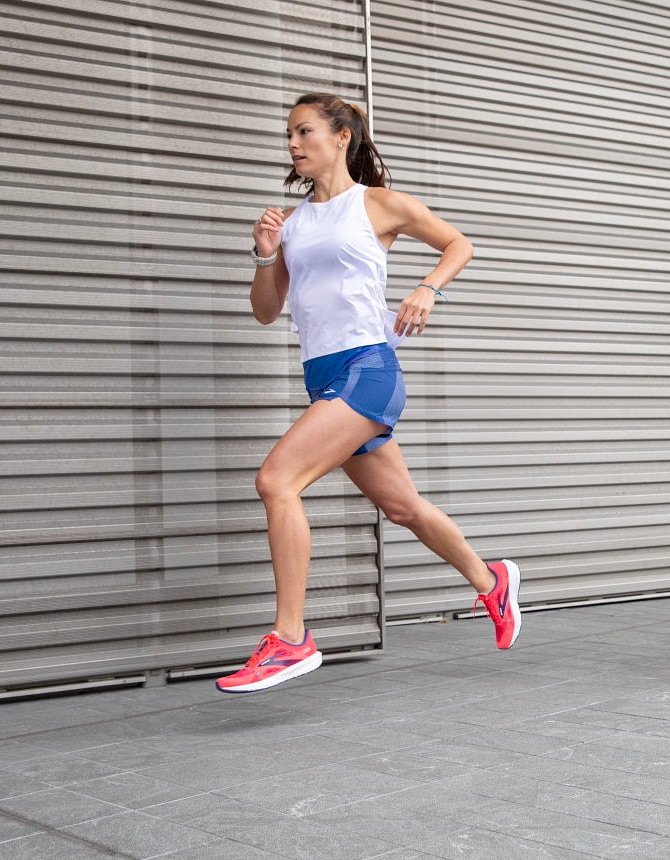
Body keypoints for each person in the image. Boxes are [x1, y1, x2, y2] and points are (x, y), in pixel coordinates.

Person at [217, 93, 522, 693]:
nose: (292, 144)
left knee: (277, 481)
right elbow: (265, 311)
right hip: (325, 377)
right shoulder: (295, 222)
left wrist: (429, 288)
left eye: (303, 131)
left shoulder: (376, 205)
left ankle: (290, 638)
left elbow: (458, 243)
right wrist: (263, 254)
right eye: (288, 135)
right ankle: (492, 582)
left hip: (367, 368)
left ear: (341, 138)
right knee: (403, 506)